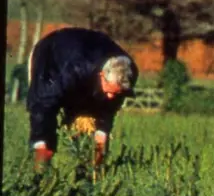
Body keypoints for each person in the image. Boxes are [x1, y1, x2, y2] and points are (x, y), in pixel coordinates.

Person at [26, 27, 139, 168]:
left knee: (86, 125)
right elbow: (42, 105)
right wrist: (41, 142)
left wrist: (101, 145)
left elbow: (108, 112)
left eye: (116, 93)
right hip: (51, 53)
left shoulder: (128, 71)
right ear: (102, 76)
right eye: (110, 91)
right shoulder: (70, 71)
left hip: (86, 64)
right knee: (45, 124)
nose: (111, 97)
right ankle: (41, 173)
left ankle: (87, 169)